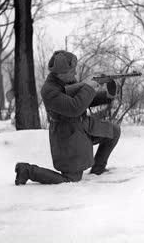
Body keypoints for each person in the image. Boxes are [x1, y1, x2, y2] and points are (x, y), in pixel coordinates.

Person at [14, 50, 121, 185]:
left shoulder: (68, 80)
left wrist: (108, 95)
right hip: (67, 135)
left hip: (83, 126)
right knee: (71, 179)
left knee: (114, 131)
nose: (75, 74)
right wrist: (89, 87)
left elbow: (84, 99)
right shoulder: (49, 90)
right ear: (60, 74)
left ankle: (98, 170)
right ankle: (28, 171)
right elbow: (75, 107)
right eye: (72, 71)